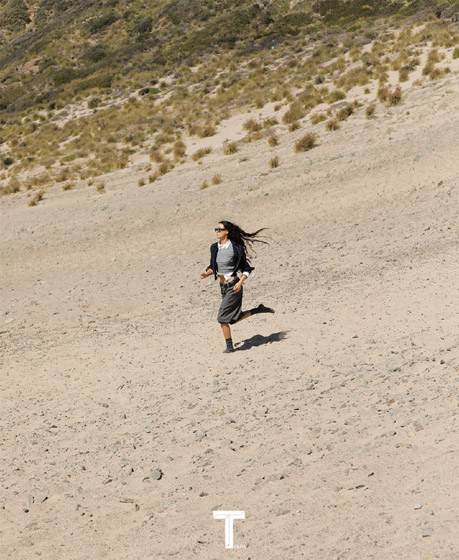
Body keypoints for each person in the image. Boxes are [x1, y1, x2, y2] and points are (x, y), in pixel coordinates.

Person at [200, 220, 275, 353]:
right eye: (216, 229)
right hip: (223, 287)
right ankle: (257, 310)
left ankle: (230, 347)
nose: (217, 232)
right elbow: (214, 266)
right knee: (232, 320)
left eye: (219, 229)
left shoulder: (235, 247)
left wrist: (240, 283)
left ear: (226, 232)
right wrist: (207, 273)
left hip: (234, 286)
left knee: (222, 318)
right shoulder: (214, 247)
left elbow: (246, 268)